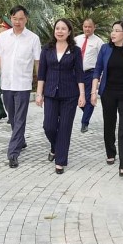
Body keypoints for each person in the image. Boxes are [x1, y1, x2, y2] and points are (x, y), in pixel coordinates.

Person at [0, 5, 41, 169]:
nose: (18, 22)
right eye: (15, 18)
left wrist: (40, 85)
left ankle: (13, 153)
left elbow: (37, 62)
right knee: (12, 117)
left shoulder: (33, 38)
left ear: (26, 19)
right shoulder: (3, 37)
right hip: (6, 84)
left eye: (21, 19)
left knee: (19, 118)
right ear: (10, 18)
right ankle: (21, 140)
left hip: (23, 85)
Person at [91, 21, 123, 177]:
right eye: (112, 30)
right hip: (108, 93)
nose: (113, 33)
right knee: (109, 124)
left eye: (117, 31)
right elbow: (97, 70)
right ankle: (110, 152)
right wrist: (93, 92)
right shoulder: (105, 49)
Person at [36, 19, 85, 175]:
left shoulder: (75, 50)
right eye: (57, 28)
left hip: (70, 94)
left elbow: (79, 73)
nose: (60, 31)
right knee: (48, 126)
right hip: (50, 93)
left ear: (69, 32)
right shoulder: (46, 49)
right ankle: (55, 147)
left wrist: (82, 94)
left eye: (64, 29)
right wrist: (39, 93)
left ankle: (60, 161)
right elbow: (41, 73)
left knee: (64, 127)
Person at [74, 18, 104, 133]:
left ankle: (84, 122)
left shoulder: (98, 42)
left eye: (89, 27)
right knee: (76, 96)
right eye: (85, 26)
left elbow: (102, 60)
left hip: (91, 73)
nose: (87, 29)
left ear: (94, 27)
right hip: (76, 73)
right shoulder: (76, 39)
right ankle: (87, 110)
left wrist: (100, 74)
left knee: (90, 96)